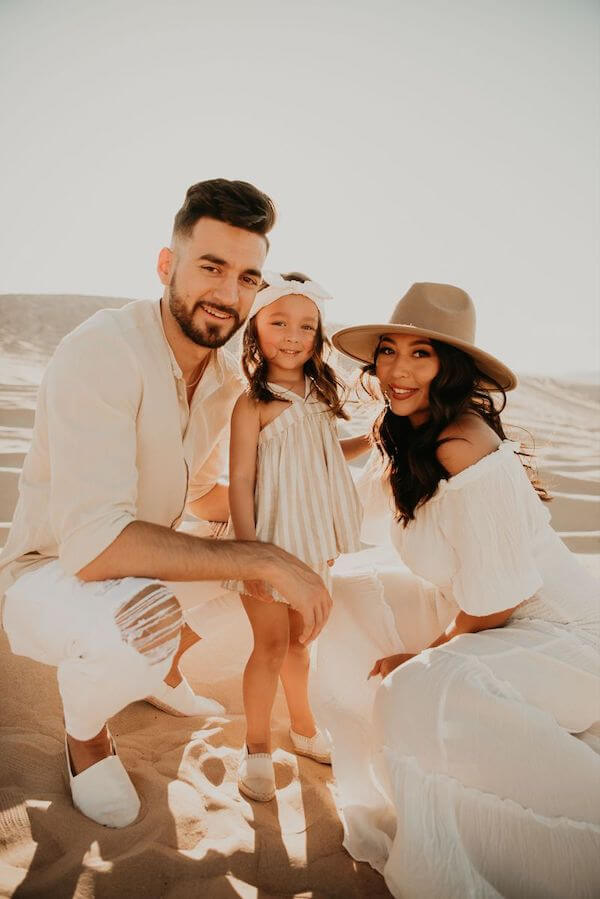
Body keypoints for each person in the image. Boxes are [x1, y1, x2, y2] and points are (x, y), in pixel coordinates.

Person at [0, 180, 332, 829]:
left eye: (246, 277)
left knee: (258, 557)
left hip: (131, 562)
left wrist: (279, 527)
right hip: (50, 574)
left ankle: (163, 670)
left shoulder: (226, 376)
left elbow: (205, 495)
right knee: (163, 603)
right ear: (165, 266)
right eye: (210, 267)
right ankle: (86, 732)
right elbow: (94, 546)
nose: (227, 293)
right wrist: (259, 555)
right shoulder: (103, 352)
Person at [315, 282, 600, 897]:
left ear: (452, 367)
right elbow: (348, 519)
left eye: (422, 354)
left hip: (562, 634)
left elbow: (496, 600)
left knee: (418, 687)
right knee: (348, 591)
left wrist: (424, 653)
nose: (397, 368)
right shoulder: (406, 435)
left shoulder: (462, 441)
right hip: (491, 614)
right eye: (388, 350)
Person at [225, 271, 369, 802]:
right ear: (255, 330)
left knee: (301, 645)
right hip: (267, 544)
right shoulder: (253, 403)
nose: (292, 335)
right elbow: (240, 480)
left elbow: (327, 453)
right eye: (278, 322)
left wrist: (370, 440)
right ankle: (257, 747)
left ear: (318, 335)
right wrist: (248, 557)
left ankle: (303, 729)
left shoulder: (318, 393)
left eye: (306, 326)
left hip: (311, 544)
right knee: (268, 646)